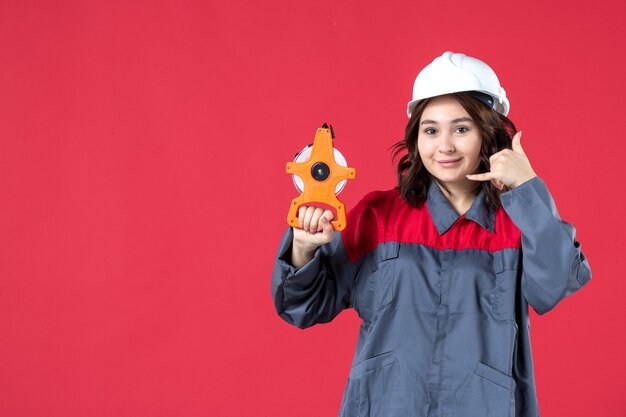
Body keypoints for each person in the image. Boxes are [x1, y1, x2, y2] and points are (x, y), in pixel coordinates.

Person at [271, 51, 591, 417]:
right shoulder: (379, 216)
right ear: (415, 137)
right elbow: (304, 306)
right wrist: (303, 246)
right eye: (431, 130)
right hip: (386, 406)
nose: (445, 146)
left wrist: (528, 187)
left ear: (489, 132)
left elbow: (557, 282)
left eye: (461, 128)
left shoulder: (517, 222)